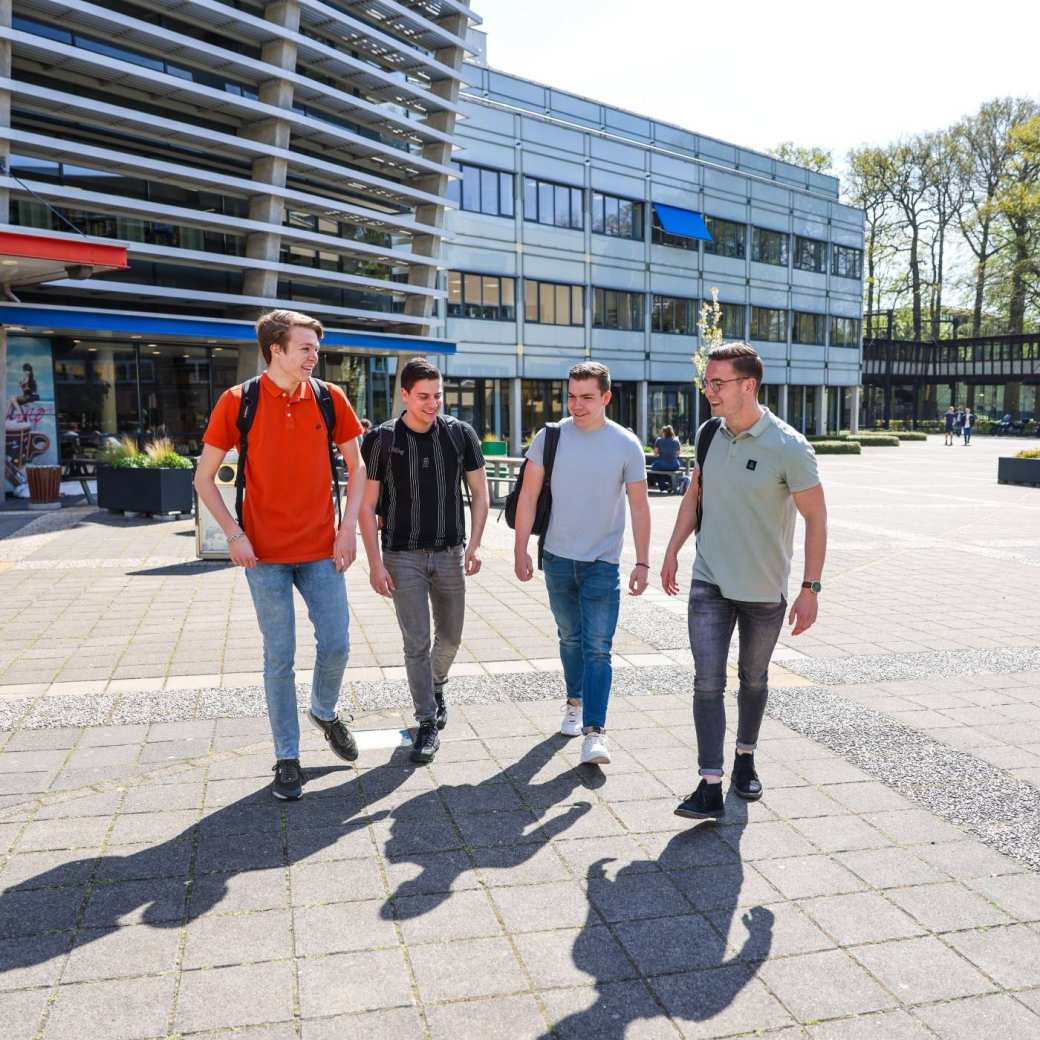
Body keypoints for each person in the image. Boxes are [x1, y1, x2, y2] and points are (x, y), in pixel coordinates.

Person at [195, 310, 366, 801]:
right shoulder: (238, 402)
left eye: (316, 348)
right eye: (306, 348)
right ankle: (287, 756)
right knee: (280, 656)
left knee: (337, 643)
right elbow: (203, 478)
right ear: (277, 350)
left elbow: (358, 467)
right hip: (263, 554)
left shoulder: (330, 399)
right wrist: (233, 534)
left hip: (321, 548)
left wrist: (347, 528)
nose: (315, 356)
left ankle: (324, 711)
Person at [660, 343, 827, 820]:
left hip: (763, 590)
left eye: (718, 383)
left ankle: (745, 758)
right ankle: (709, 784)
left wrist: (810, 588)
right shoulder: (710, 433)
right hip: (708, 581)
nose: (709, 391)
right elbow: (696, 494)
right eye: (707, 382)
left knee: (752, 678)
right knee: (706, 681)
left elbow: (817, 519)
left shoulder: (789, 447)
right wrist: (672, 549)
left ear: (747, 385)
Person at [513, 361, 651, 766]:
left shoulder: (626, 444)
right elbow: (528, 497)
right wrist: (521, 548)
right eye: (572, 396)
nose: (577, 404)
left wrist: (642, 563)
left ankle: (595, 730)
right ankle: (574, 703)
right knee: (570, 638)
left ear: (606, 397)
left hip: (602, 564)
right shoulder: (550, 438)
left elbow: (640, 508)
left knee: (598, 648)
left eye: (587, 397)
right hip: (556, 558)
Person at [359, 358, 489, 765]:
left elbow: (481, 495)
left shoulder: (459, 435)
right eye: (423, 397)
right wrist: (375, 563)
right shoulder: (381, 439)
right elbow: (366, 507)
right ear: (404, 395)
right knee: (416, 642)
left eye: (437, 396)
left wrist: (476, 545)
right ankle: (427, 722)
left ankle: (435, 684)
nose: (432, 404)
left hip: (451, 551)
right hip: (402, 555)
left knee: (450, 637)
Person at [649, 424, 682, 491]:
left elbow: (655, 454)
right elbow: (678, 454)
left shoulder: (659, 440)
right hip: (674, 465)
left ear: (664, 433)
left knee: (653, 468)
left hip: (662, 464)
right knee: (663, 469)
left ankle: (663, 486)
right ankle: (669, 485)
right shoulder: (676, 441)